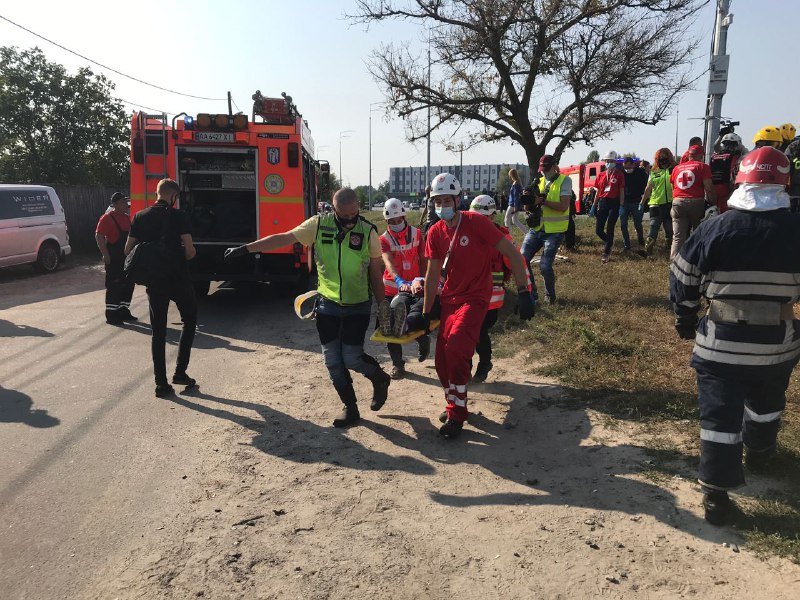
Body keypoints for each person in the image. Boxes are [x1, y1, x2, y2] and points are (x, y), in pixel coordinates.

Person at [669, 147, 800, 525]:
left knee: (719, 418)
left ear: (741, 179)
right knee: (767, 402)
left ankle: (716, 496)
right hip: (778, 343)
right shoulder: (795, 230)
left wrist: (685, 317)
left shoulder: (715, 228)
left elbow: (683, 278)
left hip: (720, 347)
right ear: (784, 183)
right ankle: (760, 452)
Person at [224, 188, 391, 428]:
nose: (350, 221)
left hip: (357, 305)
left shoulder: (368, 231)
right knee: (333, 360)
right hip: (327, 303)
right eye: (344, 217)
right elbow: (284, 237)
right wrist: (246, 248)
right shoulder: (318, 224)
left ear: (358, 209)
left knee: (352, 357)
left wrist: (382, 305)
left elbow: (376, 273)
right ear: (334, 210)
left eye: (354, 215)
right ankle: (351, 408)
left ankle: (379, 378)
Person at [422, 173, 534, 439]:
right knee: (441, 361)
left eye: (446, 200)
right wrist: (426, 313)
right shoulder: (435, 232)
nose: (441, 206)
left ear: (458, 199)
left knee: (458, 347)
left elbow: (512, 254)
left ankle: (457, 415)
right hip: (450, 300)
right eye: (437, 201)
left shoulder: (476, 223)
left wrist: (524, 292)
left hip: (476, 298)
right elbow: (432, 275)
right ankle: (454, 405)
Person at [125, 179, 198, 398]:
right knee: (190, 319)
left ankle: (161, 384)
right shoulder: (179, 216)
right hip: (178, 278)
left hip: (154, 282)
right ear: (174, 197)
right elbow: (190, 251)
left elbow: (128, 249)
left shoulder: (140, 216)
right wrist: (181, 254)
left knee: (158, 332)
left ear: (157, 194)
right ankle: (180, 372)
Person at [468, 194, 530, 383]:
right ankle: (464, 369)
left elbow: (519, 264)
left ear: (492, 216)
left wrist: (524, 293)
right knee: (466, 333)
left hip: (491, 299)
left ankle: (485, 362)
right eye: (475, 216)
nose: (477, 221)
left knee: (477, 332)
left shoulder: (503, 238)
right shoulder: (464, 235)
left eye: (482, 217)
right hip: (468, 296)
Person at [379, 197, 430, 380]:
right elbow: (387, 261)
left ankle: (421, 338)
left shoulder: (417, 234)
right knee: (388, 329)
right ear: (387, 221)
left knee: (410, 321)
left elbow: (424, 259)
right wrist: (398, 280)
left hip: (414, 288)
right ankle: (398, 365)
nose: (396, 223)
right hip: (393, 288)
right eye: (392, 221)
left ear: (404, 216)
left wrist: (424, 279)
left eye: (399, 219)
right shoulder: (384, 239)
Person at [520, 155, 571, 303]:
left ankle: (550, 295)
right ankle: (532, 293)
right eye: (542, 169)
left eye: (546, 169)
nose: (544, 172)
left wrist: (542, 201)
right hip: (536, 228)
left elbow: (563, 206)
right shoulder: (538, 182)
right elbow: (527, 207)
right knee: (522, 259)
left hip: (554, 231)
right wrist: (528, 199)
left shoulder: (564, 181)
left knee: (545, 266)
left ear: (555, 166)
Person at [95, 192, 136, 324]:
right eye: (124, 202)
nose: (126, 205)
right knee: (114, 285)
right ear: (116, 204)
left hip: (126, 258)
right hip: (114, 258)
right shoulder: (107, 218)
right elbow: (99, 236)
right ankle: (112, 314)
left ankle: (123, 310)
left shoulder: (126, 218)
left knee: (128, 284)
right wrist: (105, 254)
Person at [669, 144, 715, 258]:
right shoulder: (703, 166)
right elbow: (708, 187)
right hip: (696, 202)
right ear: (701, 155)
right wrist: (712, 203)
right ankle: (696, 260)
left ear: (689, 155)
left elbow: (673, 187)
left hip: (677, 202)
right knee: (698, 233)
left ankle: (674, 262)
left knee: (678, 236)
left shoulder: (676, 168)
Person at [591, 150, 625, 263]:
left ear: (615, 162)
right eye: (607, 161)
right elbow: (598, 191)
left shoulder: (619, 174)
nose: (608, 163)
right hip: (603, 202)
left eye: (611, 161)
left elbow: (621, 190)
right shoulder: (600, 175)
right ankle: (609, 242)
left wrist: (621, 205)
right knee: (598, 230)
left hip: (614, 203)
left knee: (610, 227)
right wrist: (594, 205)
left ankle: (606, 252)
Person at [640, 148, 675, 254]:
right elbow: (648, 188)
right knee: (653, 226)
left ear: (669, 157)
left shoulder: (674, 169)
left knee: (669, 228)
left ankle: (669, 247)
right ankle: (648, 249)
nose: (662, 158)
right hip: (655, 204)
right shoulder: (654, 171)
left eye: (665, 156)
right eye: (660, 157)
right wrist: (642, 202)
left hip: (670, 203)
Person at [619, 157, 648, 256]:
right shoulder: (621, 172)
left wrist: (643, 200)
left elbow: (646, 186)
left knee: (638, 224)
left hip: (636, 202)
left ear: (633, 165)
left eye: (629, 167)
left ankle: (641, 241)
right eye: (625, 167)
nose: (627, 169)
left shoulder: (640, 173)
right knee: (623, 224)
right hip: (624, 202)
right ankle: (627, 245)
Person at [709, 133, 744, 213]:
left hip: (712, 187)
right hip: (726, 187)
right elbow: (734, 173)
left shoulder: (713, 156)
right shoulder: (735, 156)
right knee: (724, 212)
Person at [504, 168, 528, 235]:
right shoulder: (518, 183)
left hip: (512, 205)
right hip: (515, 204)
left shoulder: (516, 184)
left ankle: (508, 235)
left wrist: (515, 206)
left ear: (511, 175)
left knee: (507, 219)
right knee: (515, 220)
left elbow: (516, 196)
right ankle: (527, 233)